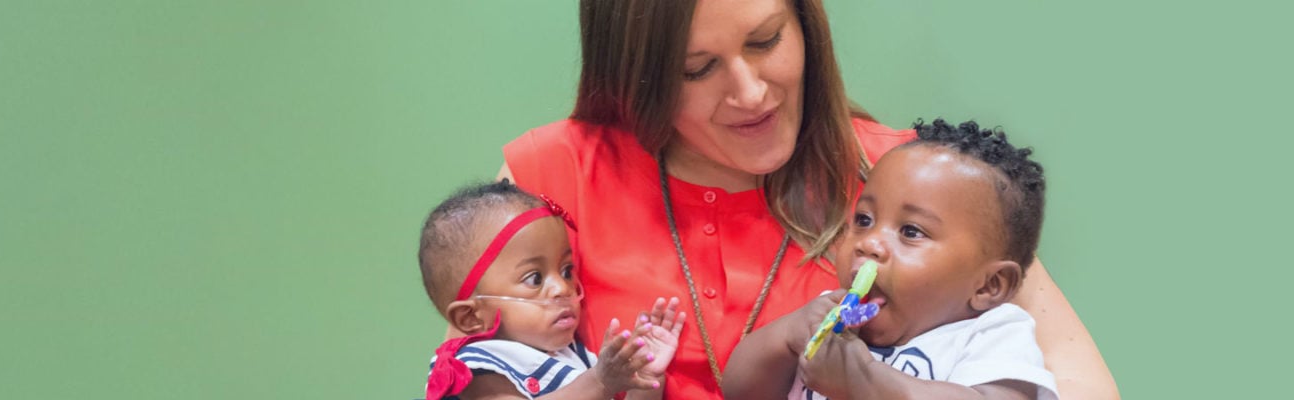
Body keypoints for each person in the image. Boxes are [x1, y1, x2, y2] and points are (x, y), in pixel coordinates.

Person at [493, 1, 1119, 398]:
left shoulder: (922, 184)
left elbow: (1080, 384)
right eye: (696, 69)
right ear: (635, 74)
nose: (750, 92)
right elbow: (473, 376)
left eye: (765, 41)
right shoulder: (553, 173)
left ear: (805, 25)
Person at [722, 119, 1058, 400]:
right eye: (864, 220)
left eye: (910, 231)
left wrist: (867, 382)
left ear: (989, 285)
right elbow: (740, 391)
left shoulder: (991, 334)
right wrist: (789, 335)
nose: (869, 244)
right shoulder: (829, 319)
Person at [419, 181, 687, 399]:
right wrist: (599, 382)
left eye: (567, 271)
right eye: (534, 278)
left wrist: (647, 375)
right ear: (471, 317)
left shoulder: (576, 358)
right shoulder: (477, 368)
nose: (562, 288)